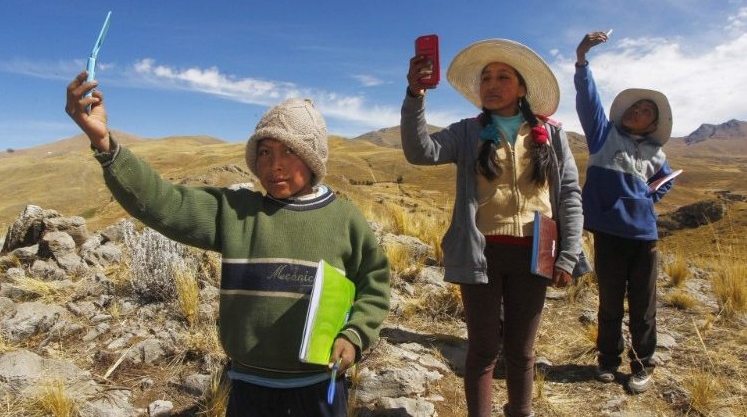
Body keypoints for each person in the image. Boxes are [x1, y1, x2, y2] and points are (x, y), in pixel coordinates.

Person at [65, 71, 391, 416]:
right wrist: (105, 145)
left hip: (319, 385)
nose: (274, 165)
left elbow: (375, 283)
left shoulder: (343, 218)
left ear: (313, 158)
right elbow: (164, 203)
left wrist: (355, 335)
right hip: (249, 385)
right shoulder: (235, 212)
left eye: (289, 151)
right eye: (264, 151)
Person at [402, 38, 586, 417]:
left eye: (503, 76)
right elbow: (420, 151)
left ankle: (520, 412)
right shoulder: (467, 131)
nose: (491, 83)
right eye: (486, 77)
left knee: (521, 351)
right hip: (480, 252)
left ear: (522, 88)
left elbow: (568, 193)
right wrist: (415, 94)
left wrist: (569, 254)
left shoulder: (551, 135)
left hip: (535, 254)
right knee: (483, 348)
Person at [575, 31, 675, 394]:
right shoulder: (603, 135)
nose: (638, 111)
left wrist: (649, 198)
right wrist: (582, 59)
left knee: (644, 307)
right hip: (610, 236)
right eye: (635, 107)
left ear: (651, 125)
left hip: (644, 239)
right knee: (609, 302)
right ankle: (607, 360)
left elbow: (667, 182)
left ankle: (642, 365)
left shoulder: (657, 154)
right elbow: (589, 103)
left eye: (646, 111)